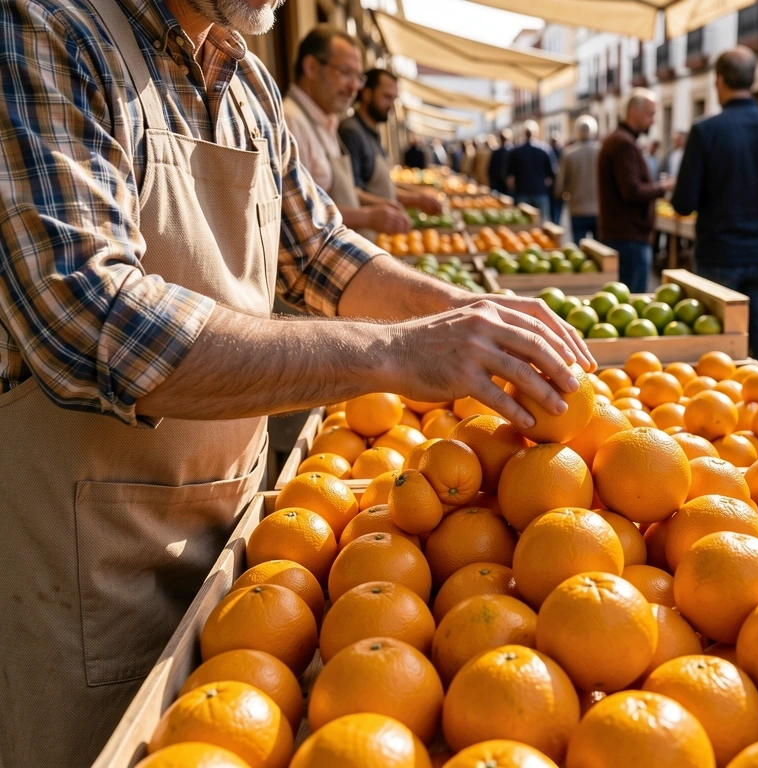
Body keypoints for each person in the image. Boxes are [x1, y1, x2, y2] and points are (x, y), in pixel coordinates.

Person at [0, 1, 596, 763]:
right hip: (89, 559)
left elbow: (318, 254)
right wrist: (395, 352)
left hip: (242, 538)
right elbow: (86, 317)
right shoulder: (48, 29)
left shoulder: (245, 77)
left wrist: (467, 313)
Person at [671, 47, 758, 369]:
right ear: (752, 80)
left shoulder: (705, 131)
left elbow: (683, 203)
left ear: (718, 81)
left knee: (720, 347)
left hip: (719, 254)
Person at [283, 26, 409, 236]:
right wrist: (369, 216)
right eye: (345, 73)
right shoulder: (290, 121)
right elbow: (298, 212)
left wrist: (384, 204)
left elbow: (342, 192)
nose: (354, 87)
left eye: (358, 77)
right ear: (311, 67)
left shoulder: (326, 120)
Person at [598, 89, 675, 293]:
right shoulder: (623, 143)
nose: (654, 120)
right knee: (632, 300)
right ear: (634, 113)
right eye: (651, 114)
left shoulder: (621, 140)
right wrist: (664, 187)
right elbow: (632, 192)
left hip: (625, 235)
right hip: (628, 237)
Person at [338, 69, 441, 214]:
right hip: (364, 230)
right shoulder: (351, 132)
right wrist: (401, 203)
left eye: (394, 99)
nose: (391, 106)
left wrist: (417, 196)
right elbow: (351, 192)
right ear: (367, 94)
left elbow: (383, 188)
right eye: (387, 97)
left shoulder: (373, 133)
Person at [555, 115, 601, 244]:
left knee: (578, 249)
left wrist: (561, 195)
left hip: (577, 208)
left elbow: (560, 184)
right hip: (599, 209)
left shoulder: (569, 153)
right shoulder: (601, 151)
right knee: (599, 250)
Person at [506, 120, 557, 222]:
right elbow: (552, 173)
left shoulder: (516, 151)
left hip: (522, 191)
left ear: (524, 134)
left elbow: (509, 175)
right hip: (540, 192)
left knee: (523, 224)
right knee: (540, 224)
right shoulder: (545, 149)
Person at [489, 129, 514, 195]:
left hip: (499, 184)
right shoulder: (511, 151)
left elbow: (491, 168)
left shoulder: (496, 152)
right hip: (506, 184)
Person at [549, 130, 565, 226]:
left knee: (556, 208)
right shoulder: (550, 151)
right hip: (553, 186)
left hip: (556, 185)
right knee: (555, 208)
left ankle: (555, 223)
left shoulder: (562, 152)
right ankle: (555, 223)